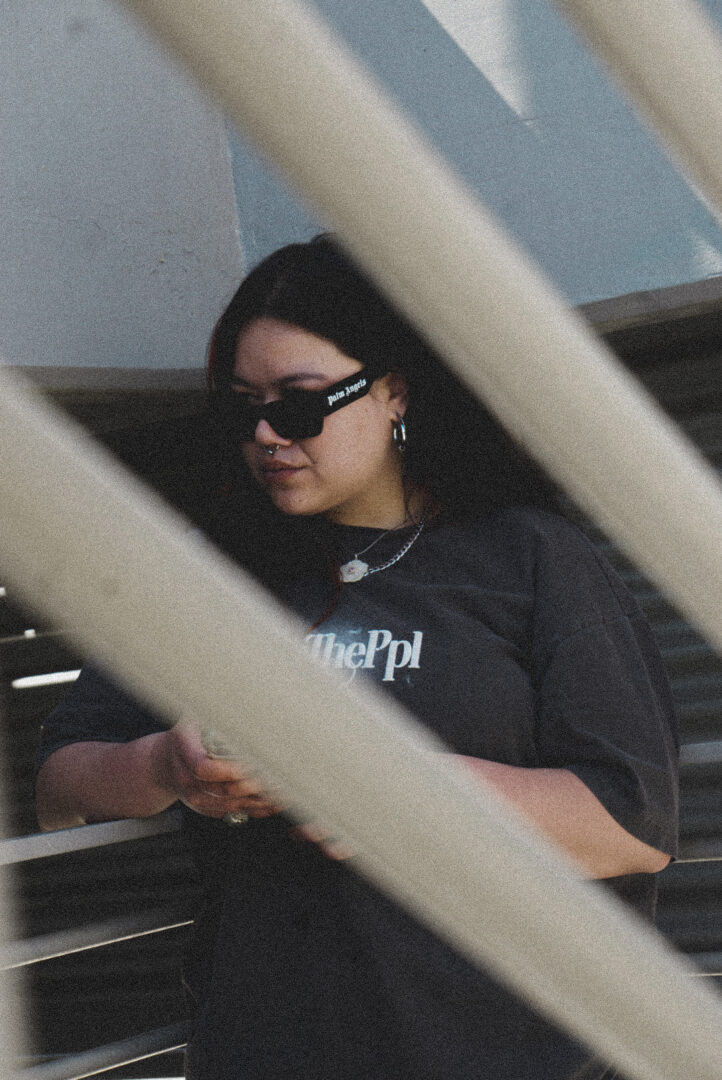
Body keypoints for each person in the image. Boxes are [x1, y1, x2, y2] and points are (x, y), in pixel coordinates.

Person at [36, 236, 679, 1079]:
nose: (266, 435)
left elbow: (632, 824)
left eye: (301, 406)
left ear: (393, 392)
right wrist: (166, 766)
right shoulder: (209, 574)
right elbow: (58, 785)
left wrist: (392, 788)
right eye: (243, 408)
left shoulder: (528, 557)